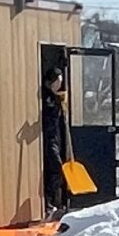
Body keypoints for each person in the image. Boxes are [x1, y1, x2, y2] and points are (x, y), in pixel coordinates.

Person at [40, 66, 73, 220]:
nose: (58, 86)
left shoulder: (57, 98)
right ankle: (48, 203)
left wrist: (62, 105)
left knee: (58, 172)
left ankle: (55, 203)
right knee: (57, 170)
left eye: (60, 83)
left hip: (58, 138)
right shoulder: (46, 98)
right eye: (56, 82)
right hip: (49, 139)